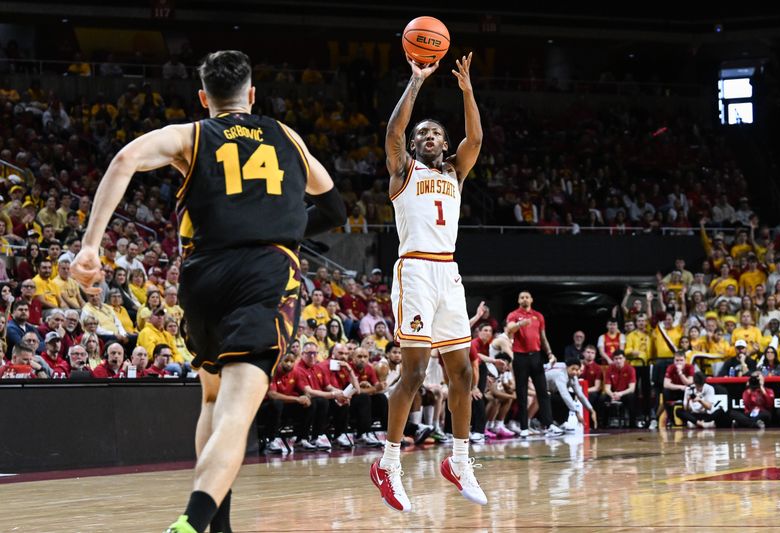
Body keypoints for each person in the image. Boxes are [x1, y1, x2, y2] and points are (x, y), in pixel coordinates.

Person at [69, 50, 345, 533]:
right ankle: (193, 523)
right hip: (263, 272)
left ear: (204, 98)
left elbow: (124, 159)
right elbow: (335, 209)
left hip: (202, 276)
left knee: (214, 400)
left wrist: (90, 246)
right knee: (239, 409)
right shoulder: (287, 137)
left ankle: (220, 527)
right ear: (252, 95)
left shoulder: (191, 135)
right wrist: (288, 226)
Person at [372, 52, 485, 513]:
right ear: (416, 146)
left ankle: (459, 460)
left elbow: (475, 136)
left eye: (436, 132)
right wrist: (417, 82)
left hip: (448, 273)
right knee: (416, 372)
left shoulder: (456, 172)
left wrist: (467, 91)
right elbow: (393, 133)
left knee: (464, 373)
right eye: (423, 134)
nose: (429, 137)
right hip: (415, 269)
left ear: (445, 143)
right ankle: (389, 463)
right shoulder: (403, 172)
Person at [506, 290, 561, 437]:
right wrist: (520, 324)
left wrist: (549, 353)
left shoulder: (538, 316)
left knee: (543, 391)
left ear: (531, 299)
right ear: (519, 301)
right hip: (520, 357)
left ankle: (548, 425)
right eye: (522, 297)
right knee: (522, 392)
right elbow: (509, 329)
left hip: (536, 356)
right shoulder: (513, 314)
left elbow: (543, 337)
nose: (524, 299)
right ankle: (524, 427)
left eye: (527, 297)